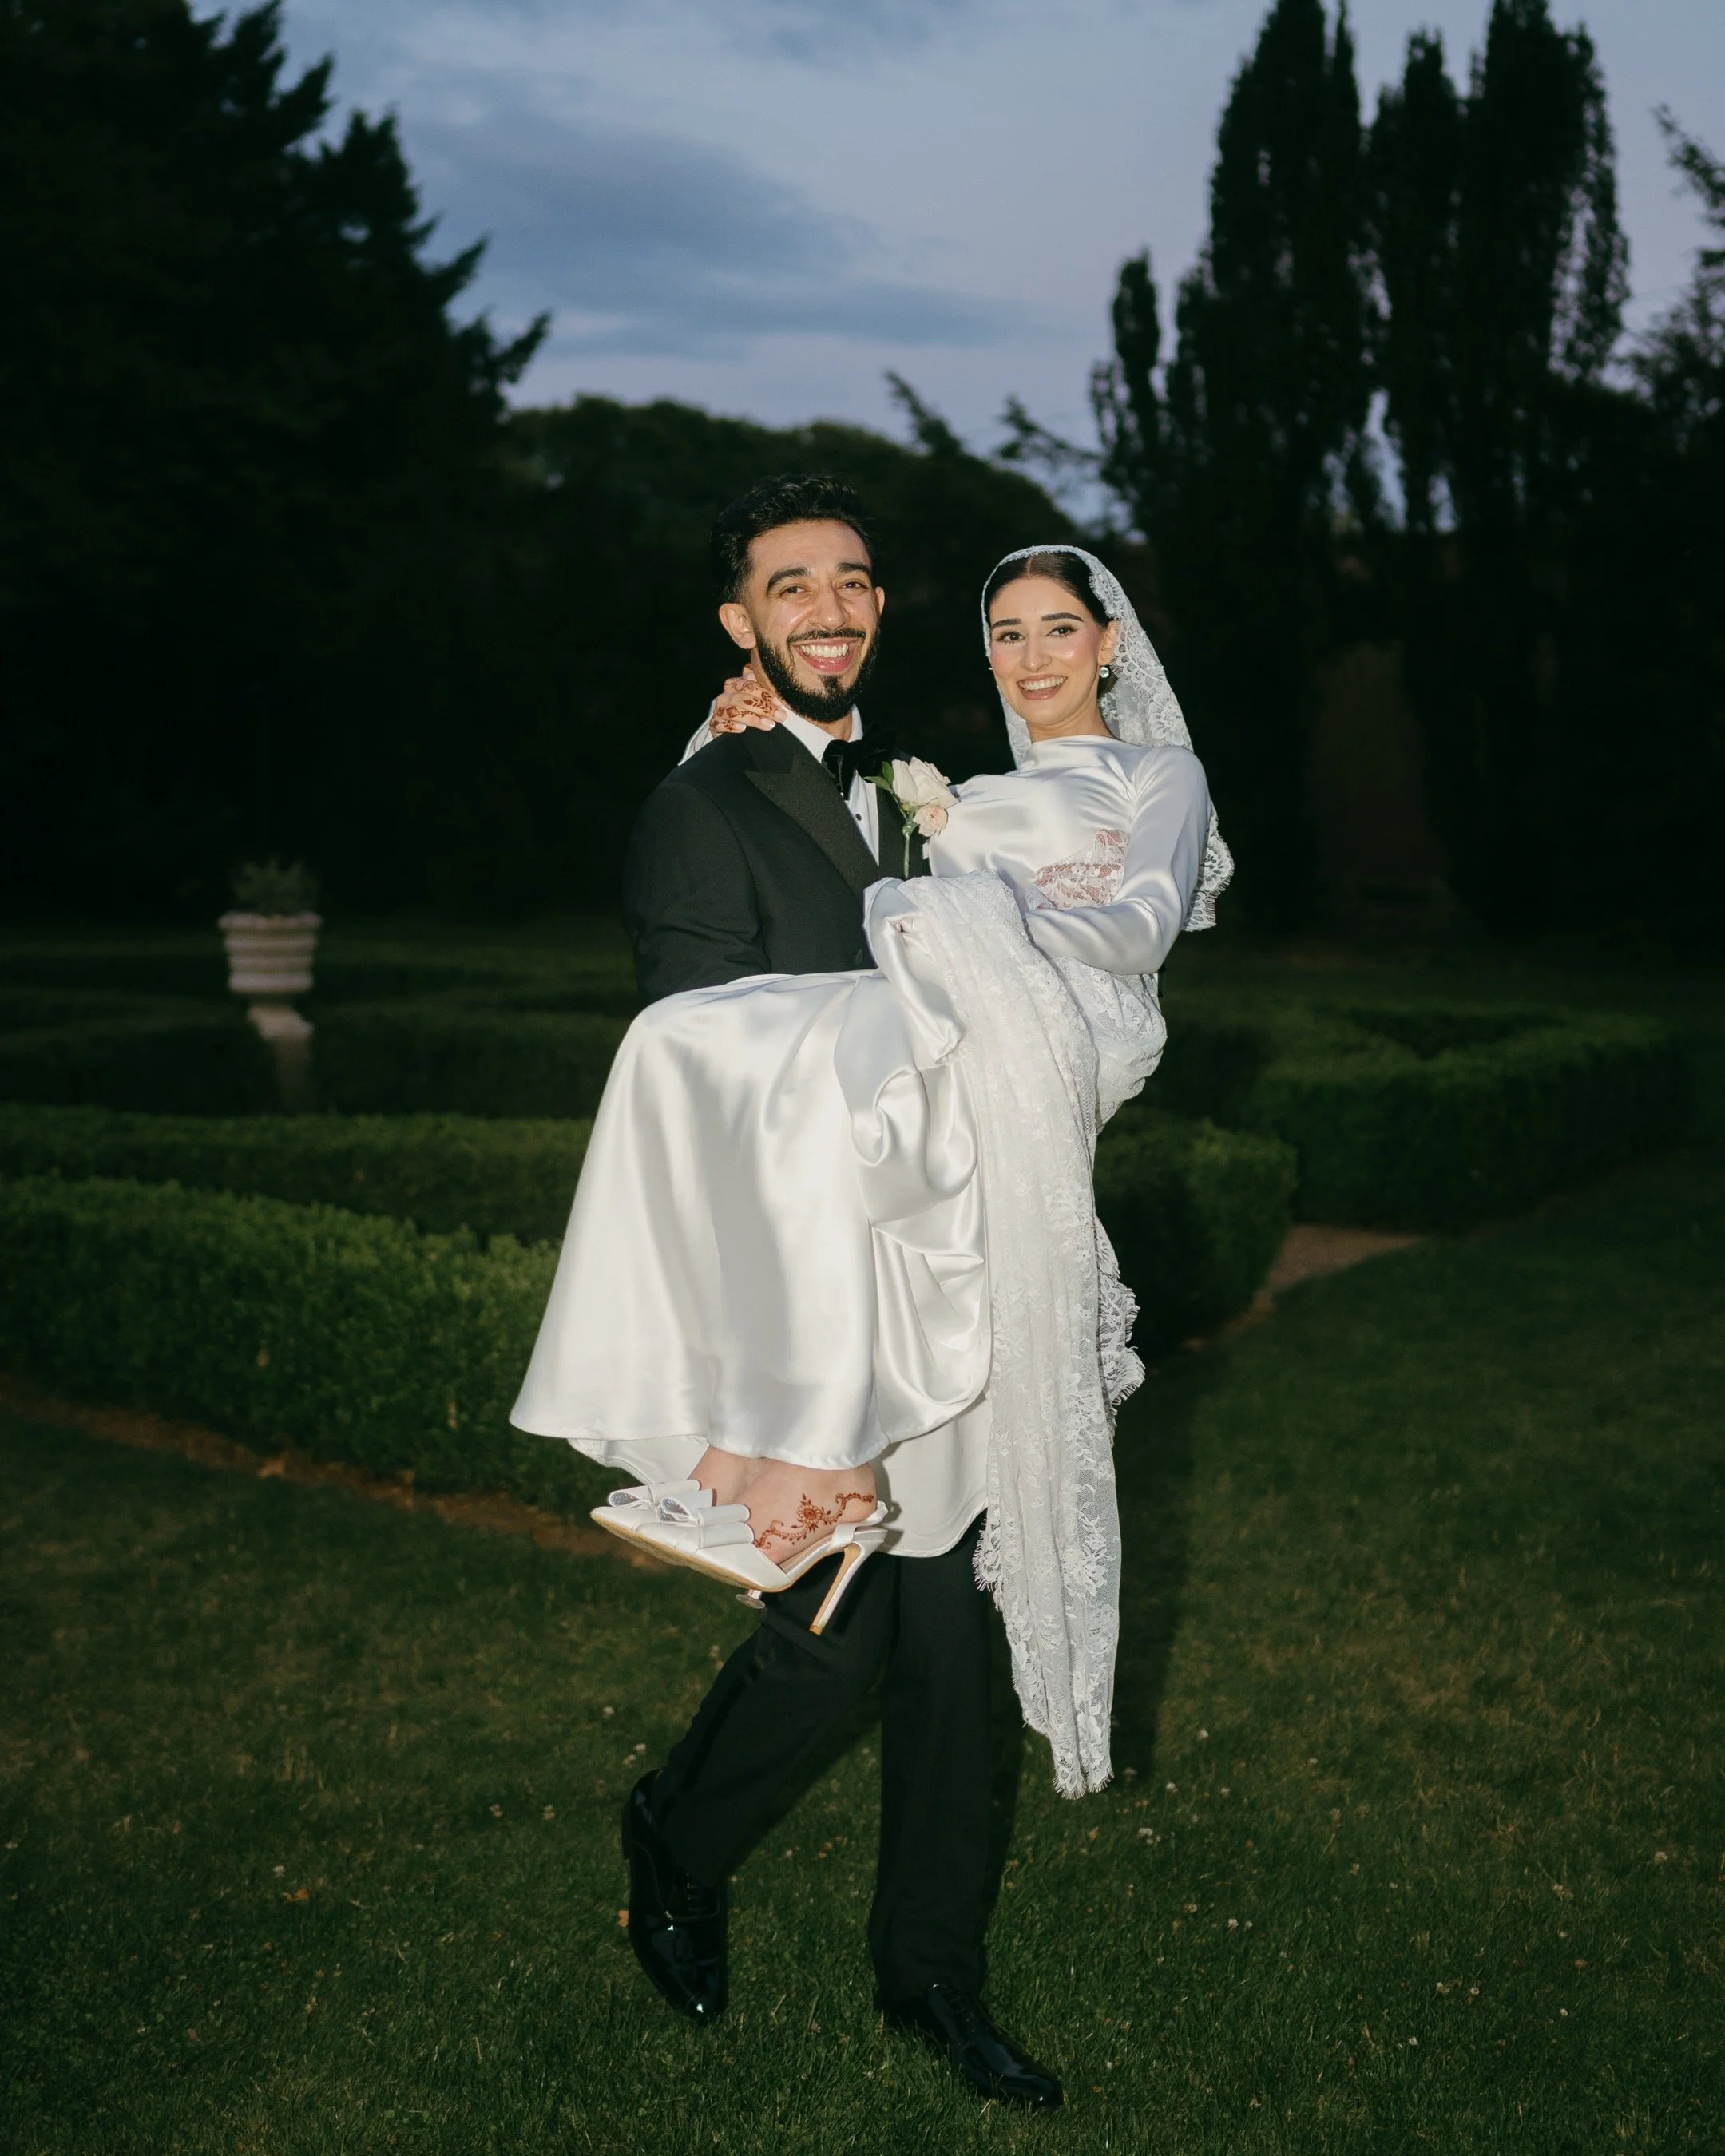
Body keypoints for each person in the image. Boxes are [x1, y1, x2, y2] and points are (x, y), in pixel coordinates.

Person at [510, 497, 1231, 2110]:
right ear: (739, 624)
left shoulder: (931, 795)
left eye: (847, 581)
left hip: (972, 1260)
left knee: (954, 1658)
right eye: (787, 587)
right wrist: (780, 1397)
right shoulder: (700, 808)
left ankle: (933, 1981)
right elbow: (704, 1092)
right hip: (826, 1295)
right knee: (834, 1646)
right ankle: (677, 1835)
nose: (824, 606)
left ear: (882, 607)